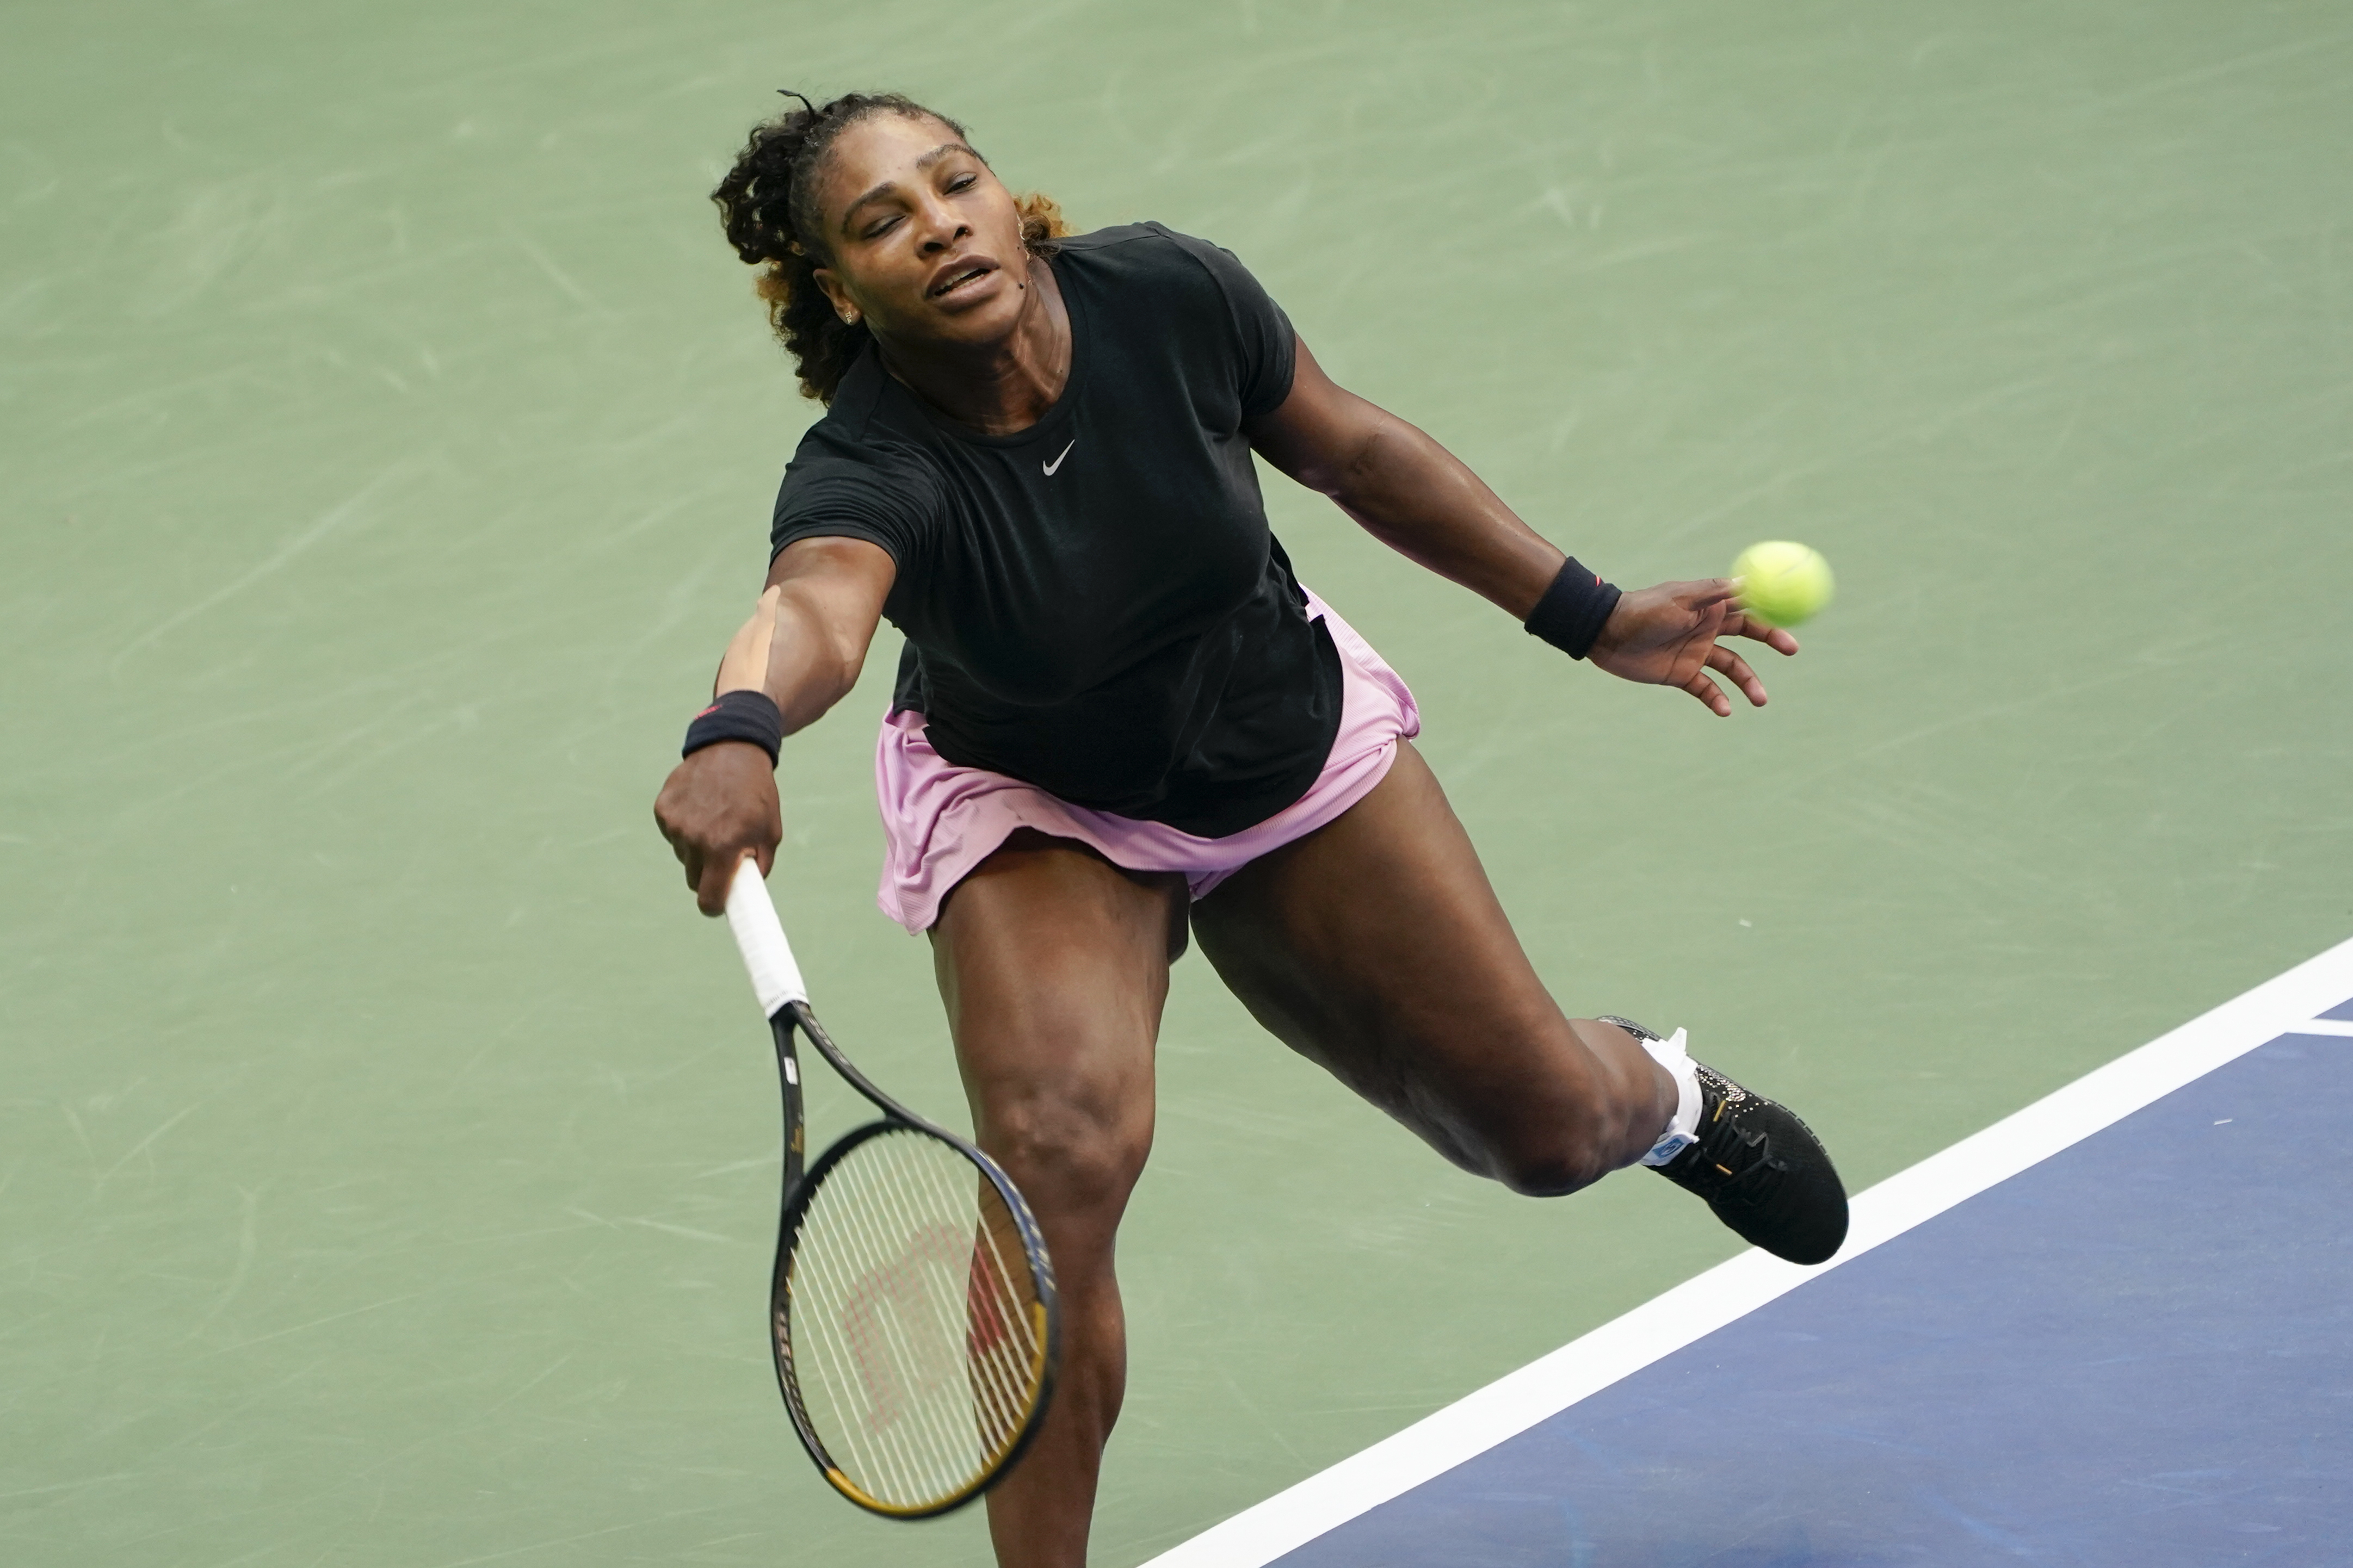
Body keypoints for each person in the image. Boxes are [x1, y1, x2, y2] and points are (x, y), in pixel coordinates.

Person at [654, 90, 1847, 1568]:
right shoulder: (871, 460)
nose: (937, 225)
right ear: (841, 290)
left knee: (1542, 1133)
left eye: (952, 182)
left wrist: (1588, 613)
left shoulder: (1168, 296)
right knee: (1053, 1153)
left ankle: (1666, 1100)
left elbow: (1352, 449)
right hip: (1047, 807)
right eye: (881, 221)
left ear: (1004, 195)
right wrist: (737, 732)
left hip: (1277, 741)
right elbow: (814, 605)